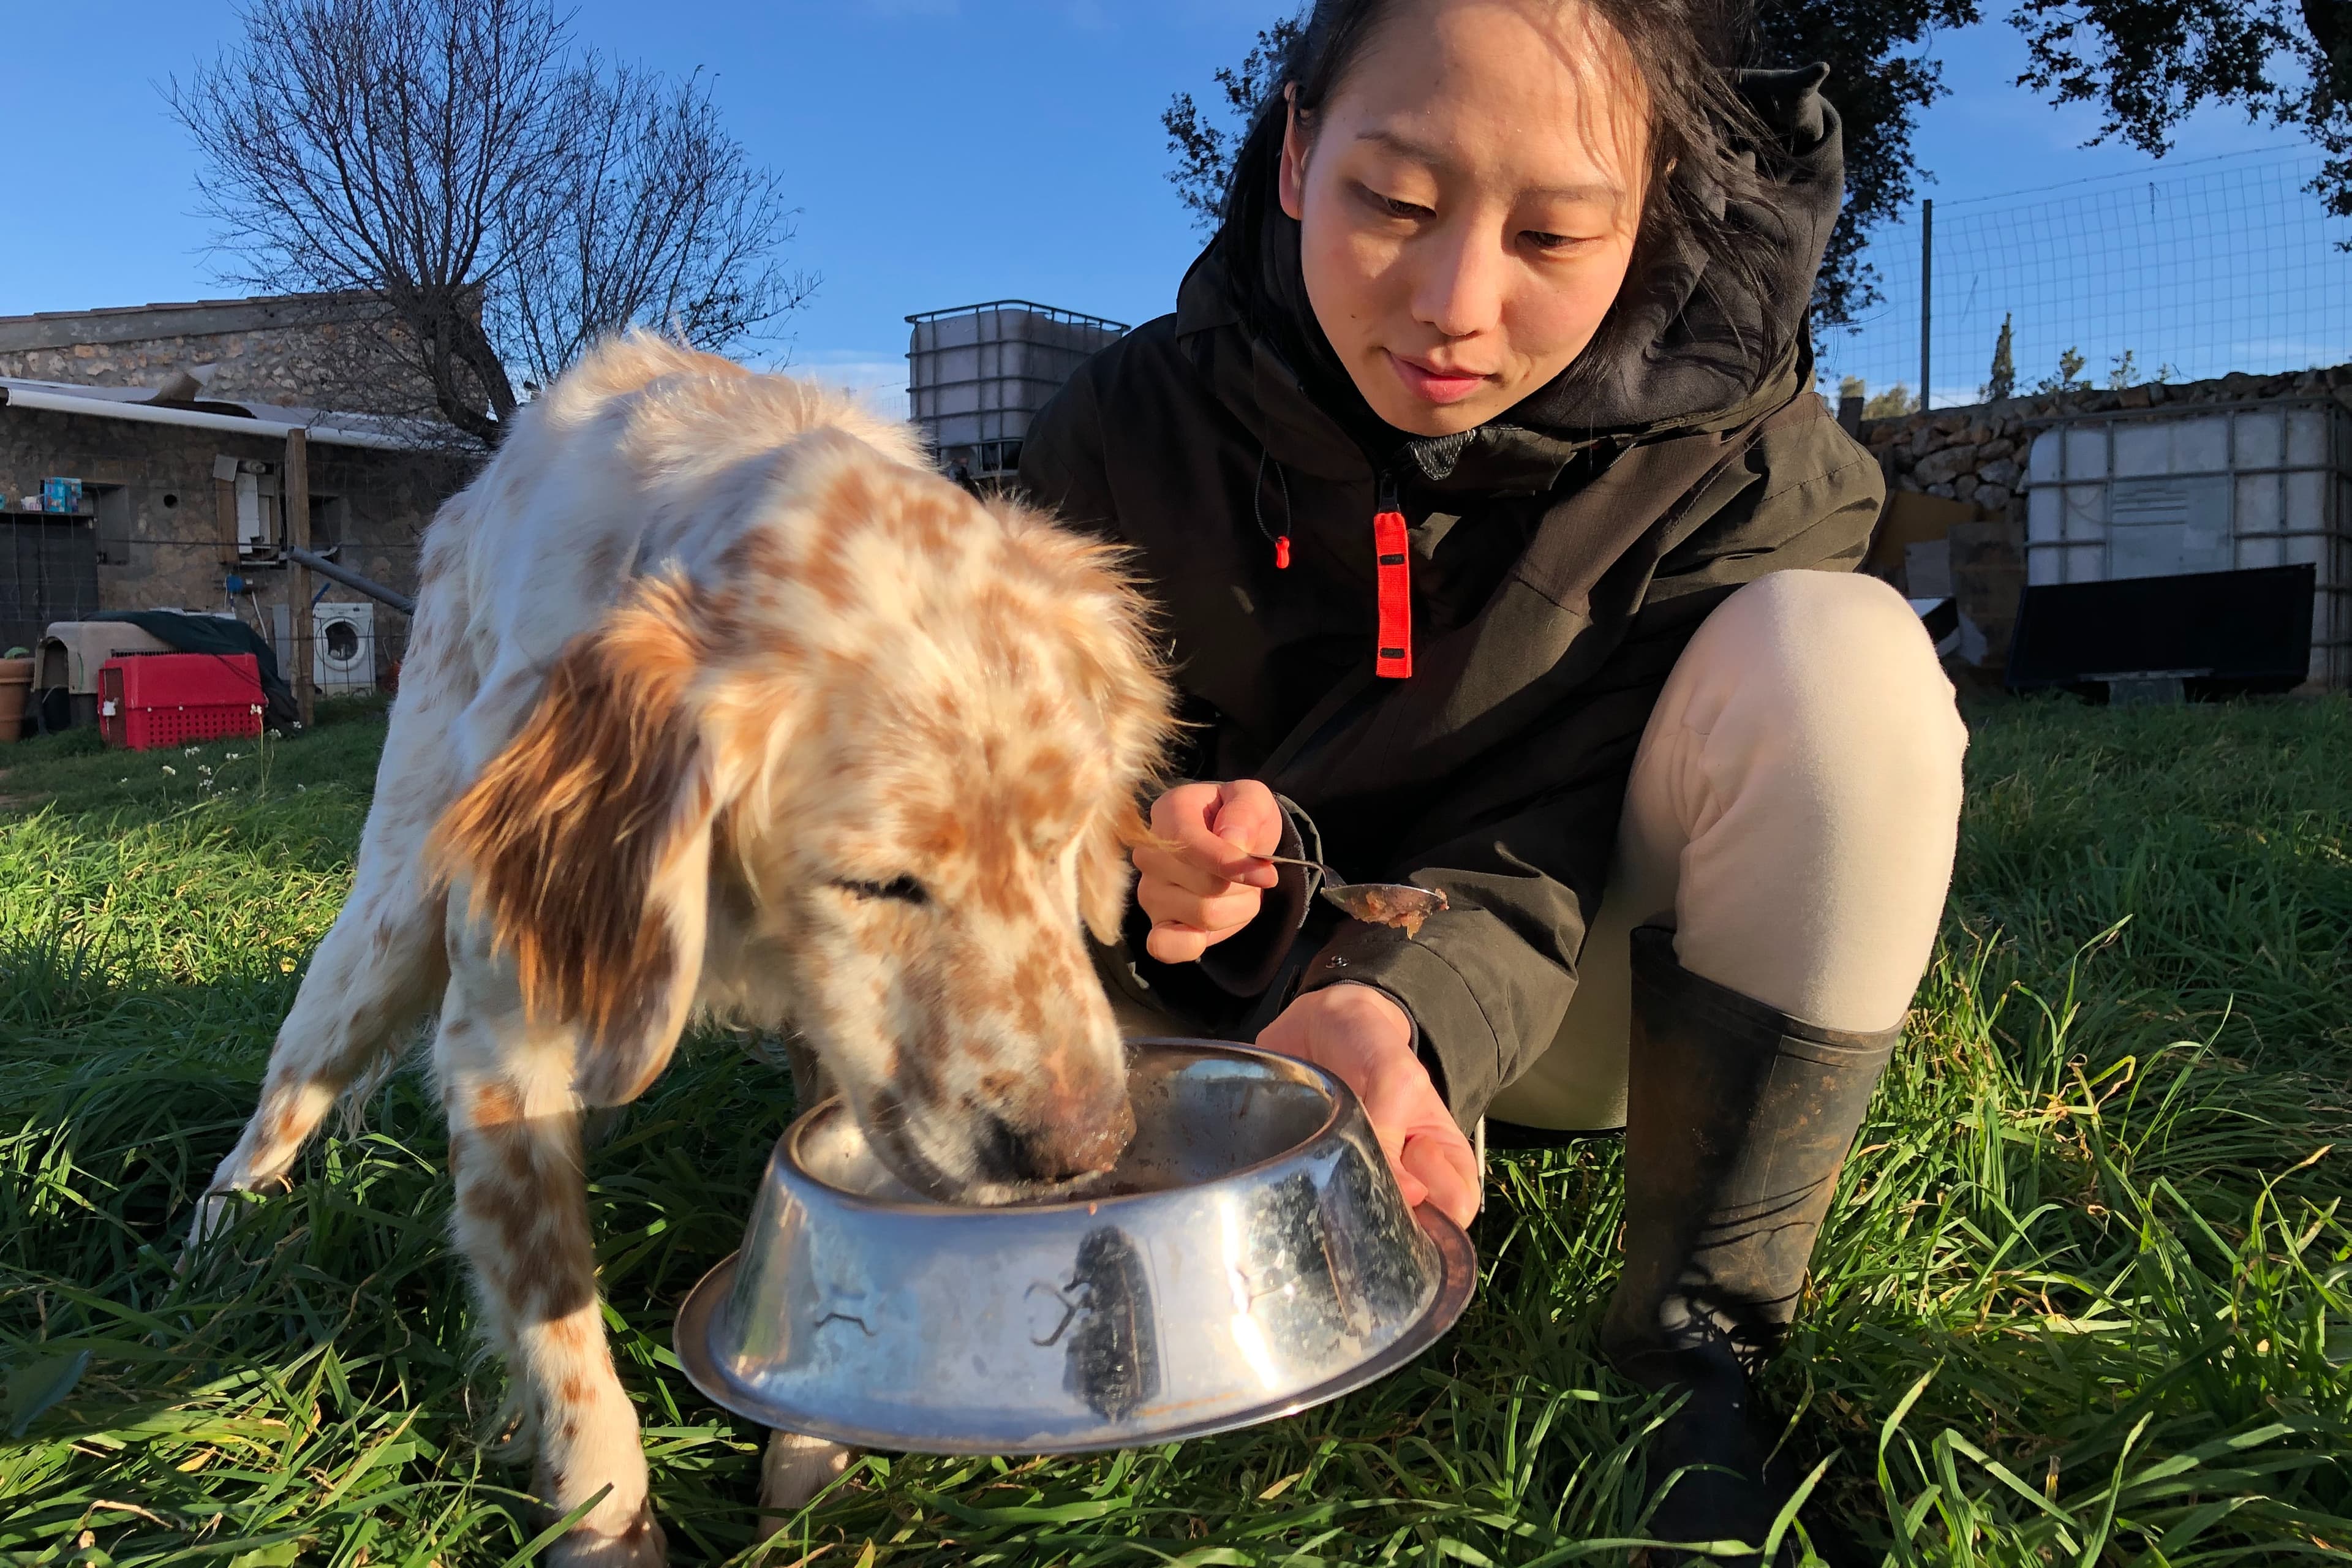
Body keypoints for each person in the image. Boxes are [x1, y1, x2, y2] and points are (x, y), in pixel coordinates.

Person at [1017, 0, 1967, 1556]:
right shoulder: (1124, 432)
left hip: (1579, 1017)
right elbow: (1029, 772)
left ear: (1652, 210)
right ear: (1297, 152)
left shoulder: (1747, 467)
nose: (1456, 304)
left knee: (1843, 665)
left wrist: (1395, 996)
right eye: (1392, 202)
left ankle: (1698, 1349)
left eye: (1557, 235)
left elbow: (1576, 817)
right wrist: (1133, 843)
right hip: (1204, 1023)